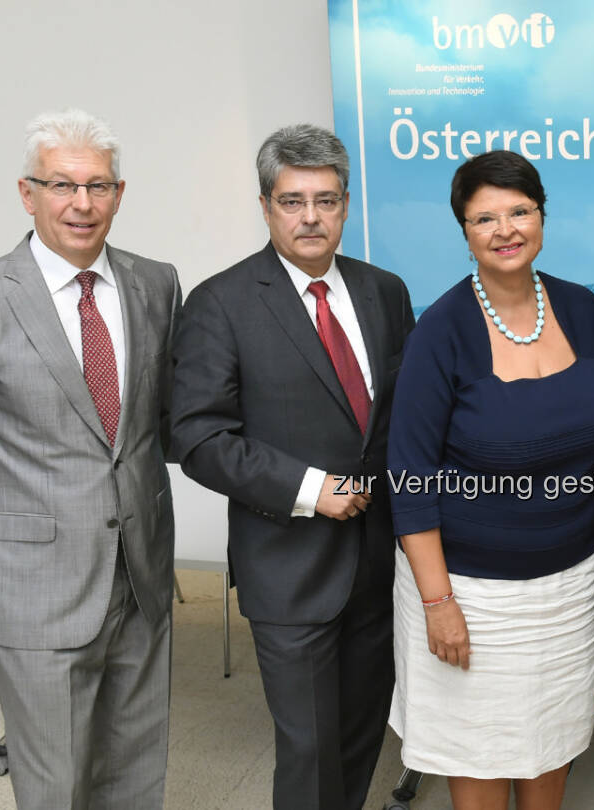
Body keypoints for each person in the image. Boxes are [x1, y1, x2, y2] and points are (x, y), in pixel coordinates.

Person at [0, 108, 181, 809]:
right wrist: (0, 548)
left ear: (120, 194)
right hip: (31, 583)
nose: (81, 204)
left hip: (140, 571)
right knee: (57, 782)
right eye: (62, 185)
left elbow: (155, 423)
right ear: (26, 193)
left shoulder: (156, 285)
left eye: (98, 186)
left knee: (135, 766)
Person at [169, 124, 413, 810]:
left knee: (363, 730)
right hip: (289, 564)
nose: (311, 217)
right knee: (307, 749)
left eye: (327, 200)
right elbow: (198, 436)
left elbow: (401, 422)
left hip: (379, 560)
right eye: (293, 201)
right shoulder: (221, 303)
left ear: (346, 204)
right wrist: (312, 490)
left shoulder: (385, 292)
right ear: (266, 204)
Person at [385, 149, 594, 810]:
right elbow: (411, 475)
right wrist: (438, 603)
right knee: (479, 750)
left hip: (567, 589)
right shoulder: (441, 330)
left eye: (519, 211)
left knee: (551, 740)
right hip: (469, 594)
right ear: (464, 232)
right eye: (485, 218)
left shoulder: (580, 308)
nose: (505, 229)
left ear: (542, 216)